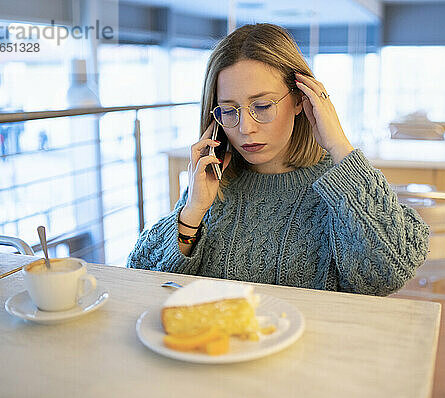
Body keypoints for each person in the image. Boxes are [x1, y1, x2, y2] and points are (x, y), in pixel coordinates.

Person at [127, 23, 429, 296]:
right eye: (229, 110)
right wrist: (193, 211)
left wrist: (339, 146)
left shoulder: (341, 187)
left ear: (300, 100)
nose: (245, 128)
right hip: (218, 352)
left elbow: (389, 272)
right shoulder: (214, 183)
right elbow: (140, 277)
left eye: (262, 105)